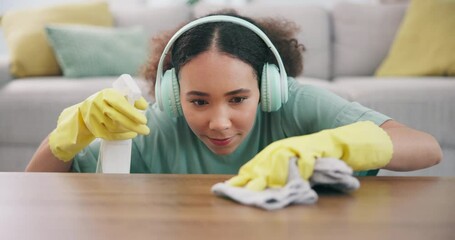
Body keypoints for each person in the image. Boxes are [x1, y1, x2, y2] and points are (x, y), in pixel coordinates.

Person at [26, 11, 442, 190]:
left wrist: (336, 143)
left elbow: (427, 149)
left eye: (239, 98)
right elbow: (38, 185)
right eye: (199, 101)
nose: (220, 122)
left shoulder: (295, 105)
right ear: (172, 96)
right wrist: (68, 136)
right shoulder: (156, 126)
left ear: (268, 88)